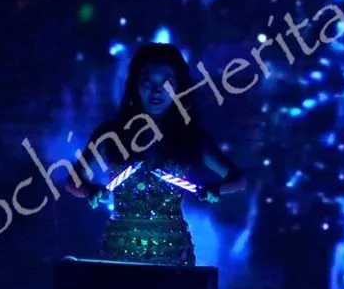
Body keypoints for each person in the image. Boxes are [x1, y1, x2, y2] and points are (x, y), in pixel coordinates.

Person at [66, 44, 244, 265]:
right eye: (147, 81)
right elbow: (73, 181)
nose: (157, 90)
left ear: (179, 86)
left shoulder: (190, 136)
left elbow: (238, 179)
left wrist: (217, 188)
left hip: (172, 251)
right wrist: (88, 189)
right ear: (135, 84)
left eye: (166, 82)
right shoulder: (112, 134)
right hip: (119, 249)